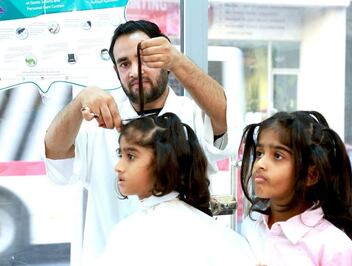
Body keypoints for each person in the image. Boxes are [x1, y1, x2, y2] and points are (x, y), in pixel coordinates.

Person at [44, 20, 240, 265]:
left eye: (146, 58)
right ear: (116, 72)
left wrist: (178, 60)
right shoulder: (101, 121)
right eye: (124, 64)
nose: (135, 71)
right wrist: (80, 100)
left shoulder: (191, 116)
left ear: (165, 61)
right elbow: (55, 155)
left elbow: (225, 116)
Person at [95, 112, 256, 266]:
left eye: (131, 156)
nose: (118, 167)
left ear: (163, 161)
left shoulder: (158, 236)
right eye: (120, 155)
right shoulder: (129, 230)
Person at [239, 110, 352, 266]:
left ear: (310, 175)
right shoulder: (250, 228)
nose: (259, 164)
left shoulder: (333, 247)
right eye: (259, 153)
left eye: (277, 156)